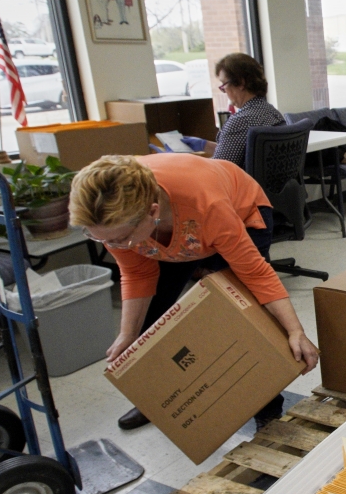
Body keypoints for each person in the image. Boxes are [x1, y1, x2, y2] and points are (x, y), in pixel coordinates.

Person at [70, 153, 319, 430]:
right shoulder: (117, 216)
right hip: (175, 236)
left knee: (245, 319)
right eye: (100, 238)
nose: (114, 245)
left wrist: (296, 331)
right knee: (147, 326)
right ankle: (158, 399)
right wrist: (128, 334)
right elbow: (138, 274)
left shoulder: (206, 206)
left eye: (117, 239)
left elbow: (255, 274)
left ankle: (267, 408)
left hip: (238, 213)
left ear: (152, 212)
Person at [166, 53, 285, 167]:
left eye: (224, 84)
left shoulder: (239, 122)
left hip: (242, 185)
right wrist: (204, 145)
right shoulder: (273, 113)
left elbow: (218, 170)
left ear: (241, 83)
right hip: (276, 186)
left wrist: (180, 159)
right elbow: (239, 152)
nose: (224, 90)